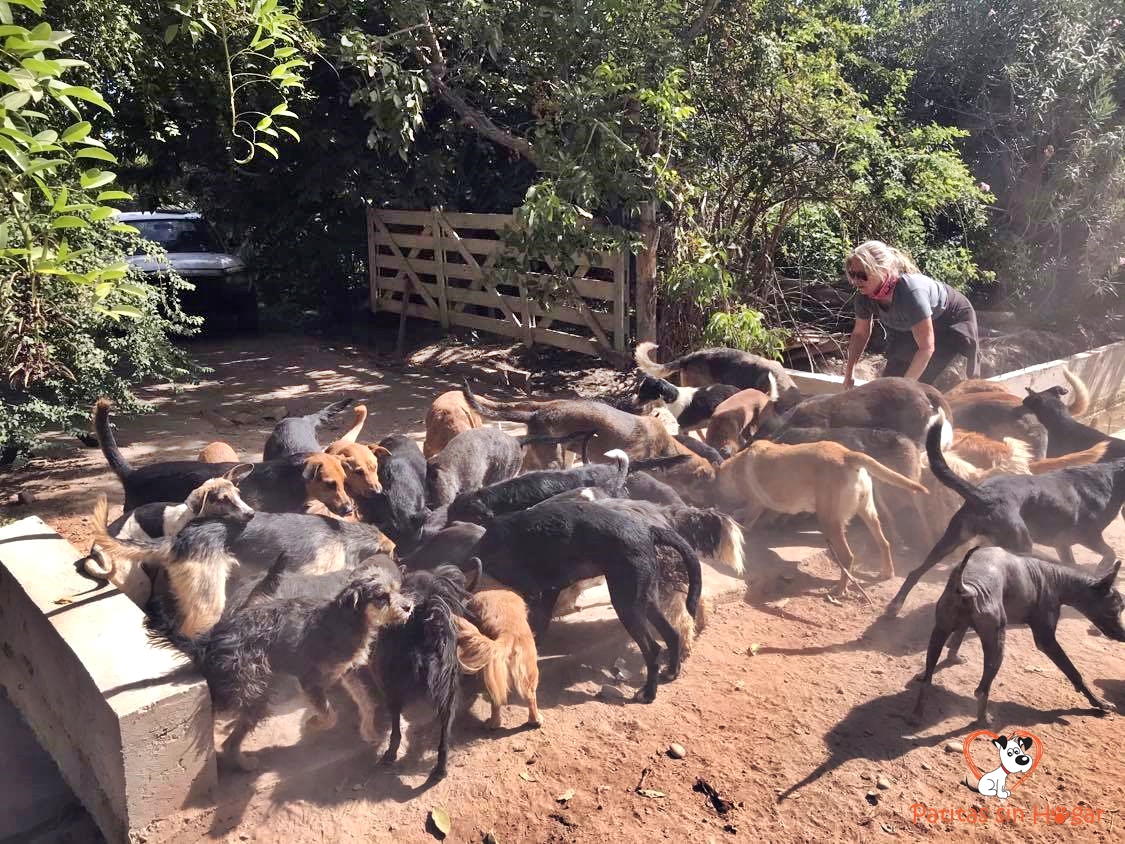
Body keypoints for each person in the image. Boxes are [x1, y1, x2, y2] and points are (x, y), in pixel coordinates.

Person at [842, 240, 980, 388]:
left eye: (862, 274)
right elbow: (860, 334)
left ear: (882, 270)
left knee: (923, 383)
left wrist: (905, 388)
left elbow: (926, 347)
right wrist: (849, 373)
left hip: (950, 320)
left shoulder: (911, 292)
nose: (856, 281)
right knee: (889, 385)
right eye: (852, 274)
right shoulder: (864, 296)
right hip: (909, 327)